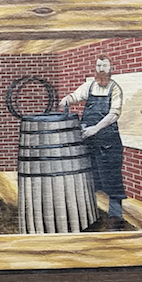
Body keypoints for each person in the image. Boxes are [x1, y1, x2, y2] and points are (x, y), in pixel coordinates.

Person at [58, 55, 127, 230]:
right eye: (98, 65)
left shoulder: (115, 89)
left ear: (111, 68)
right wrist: (66, 100)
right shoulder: (89, 86)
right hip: (90, 142)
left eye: (105, 65)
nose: (101, 69)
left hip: (109, 143)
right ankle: (91, 214)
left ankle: (115, 217)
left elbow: (113, 115)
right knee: (89, 178)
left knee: (113, 179)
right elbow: (74, 96)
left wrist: (95, 128)